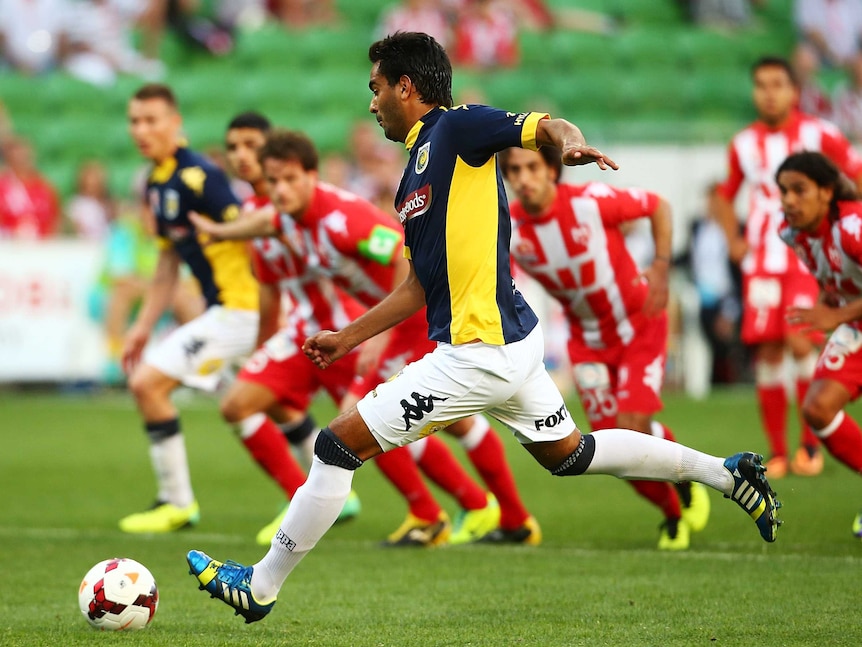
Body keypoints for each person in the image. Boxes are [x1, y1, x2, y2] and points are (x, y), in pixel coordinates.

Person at [187, 31, 780, 624]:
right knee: (570, 453)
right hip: (510, 345)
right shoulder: (413, 177)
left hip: (480, 351)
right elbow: (419, 286)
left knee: (335, 445)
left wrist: (571, 143)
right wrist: (348, 337)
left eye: (375, 90)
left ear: (405, 87)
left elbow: (546, 125)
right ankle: (728, 475)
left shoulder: (457, 128)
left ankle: (261, 585)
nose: (371, 104)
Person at [193, 126, 538, 546]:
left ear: (312, 175)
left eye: (289, 179)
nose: (280, 190)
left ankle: (449, 514)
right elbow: (264, 220)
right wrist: (219, 232)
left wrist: (373, 336)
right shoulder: (285, 216)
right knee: (436, 421)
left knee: (363, 417)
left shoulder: (341, 218)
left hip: (415, 317)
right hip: (395, 320)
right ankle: (502, 516)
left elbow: (400, 257)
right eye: (274, 181)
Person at [501, 146, 711, 551]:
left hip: (640, 327)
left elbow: (658, 206)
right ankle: (673, 510)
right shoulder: (512, 231)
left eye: (531, 167)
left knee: (630, 427)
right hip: (588, 343)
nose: (523, 177)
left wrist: (663, 267)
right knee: (612, 447)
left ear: (551, 171)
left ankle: (680, 484)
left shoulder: (591, 202)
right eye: (514, 170)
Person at [118, 83, 260, 533]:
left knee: (147, 384)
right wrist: (142, 325)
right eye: (135, 121)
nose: (141, 129)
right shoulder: (158, 183)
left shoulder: (201, 177)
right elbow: (167, 262)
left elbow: (254, 233)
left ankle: (176, 503)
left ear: (175, 123)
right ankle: (338, 496)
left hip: (240, 309)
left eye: (151, 120)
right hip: (224, 310)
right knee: (276, 405)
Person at [714, 55, 862, 479]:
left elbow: (854, 172)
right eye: (761, 85)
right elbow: (725, 194)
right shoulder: (743, 142)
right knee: (767, 349)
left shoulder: (821, 133)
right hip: (764, 257)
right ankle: (778, 452)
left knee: (800, 341)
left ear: (795, 90)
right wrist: (734, 240)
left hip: (806, 258)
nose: (769, 93)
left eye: (778, 84)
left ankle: (809, 447)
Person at [775, 150, 862, 537]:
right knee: (818, 408)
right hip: (855, 322)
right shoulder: (792, 233)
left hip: (850, 318)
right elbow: (834, 277)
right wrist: (828, 301)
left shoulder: (853, 226)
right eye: (783, 191)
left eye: (799, 190)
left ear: (826, 192)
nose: (789, 200)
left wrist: (835, 315)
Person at [0, 135, 60, 240]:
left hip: (42, 247)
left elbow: (56, 218)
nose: (21, 159)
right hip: (8, 247)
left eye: (24, 155)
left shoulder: (45, 187)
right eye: (16, 155)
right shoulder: (3, 186)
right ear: (8, 158)